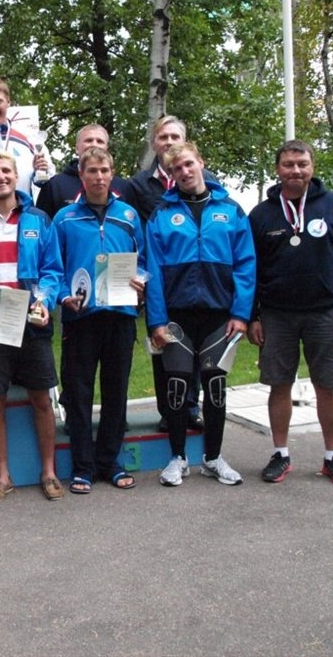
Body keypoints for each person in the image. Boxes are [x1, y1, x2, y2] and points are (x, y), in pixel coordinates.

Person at [248, 139, 333, 487]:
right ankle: (280, 454)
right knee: (279, 385)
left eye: (302, 164)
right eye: (288, 164)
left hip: (326, 314)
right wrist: (254, 315)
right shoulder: (262, 214)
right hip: (277, 316)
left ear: (312, 167)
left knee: (327, 386)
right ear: (278, 169)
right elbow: (250, 269)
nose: (296, 170)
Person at [145, 142, 256, 487]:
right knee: (177, 388)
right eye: (176, 168)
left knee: (216, 386)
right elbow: (152, 271)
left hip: (219, 316)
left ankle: (213, 458)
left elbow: (246, 265)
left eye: (188, 164)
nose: (184, 172)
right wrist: (156, 321)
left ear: (201, 163)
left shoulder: (231, 210)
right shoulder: (161, 214)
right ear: (171, 175)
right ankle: (177, 458)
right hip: (176, 317)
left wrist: (241, 313)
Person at [0, 151, 64, 503]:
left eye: (6, 171)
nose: (0, 177)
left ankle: (49, 472)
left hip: (31, 320)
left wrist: (44, 300)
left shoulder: (39, 219)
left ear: (16, 176)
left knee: (41, 398)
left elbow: (52, 270)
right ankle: (3, 477)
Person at [54, 147, 146, 493]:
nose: (99, 177)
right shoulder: (64, 218)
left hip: (121, 316)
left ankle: (110, 462)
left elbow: (144, 260)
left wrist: (141, 282)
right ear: (81, 175)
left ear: (112, 173)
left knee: (116, 391)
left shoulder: (129, 215)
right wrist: (63, 296)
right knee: (79, 393)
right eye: (92, 170)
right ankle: (83, 466)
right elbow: (53, 267)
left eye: (104, 170)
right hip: (81, 317)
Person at [122, 116, 216, 431]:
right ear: (154, 143)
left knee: (197, 348)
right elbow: (132, 231)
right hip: (158, 278)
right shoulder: (138, 184)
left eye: (175, 136)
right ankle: (168, 410)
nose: (169, 142)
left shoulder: (206, 178)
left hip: (197, 277)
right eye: (163, 137)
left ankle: (192, 407)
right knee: (164, 344)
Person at [0, 77, 54, 196]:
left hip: (24, 206)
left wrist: (38, 174)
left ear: (8, 102)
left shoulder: (29, 136)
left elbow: (49, 177)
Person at [36, 125, 123, 219]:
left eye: (100, 141)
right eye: (89, 140)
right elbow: (42, 224)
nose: (94, 144)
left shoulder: (123, 187)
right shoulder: (54, 186)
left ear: (107, 148)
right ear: (77, 148)